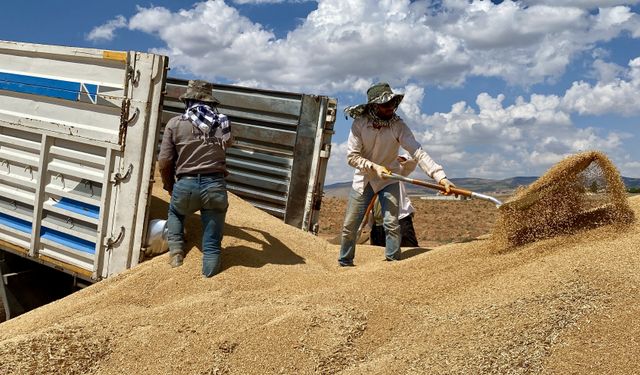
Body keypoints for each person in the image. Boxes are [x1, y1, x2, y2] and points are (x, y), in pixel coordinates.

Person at [338, 82, 454, 266]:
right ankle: (345, 262)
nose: (390, 107)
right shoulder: (360, 124)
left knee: (392, 223)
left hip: (388, 178)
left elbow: (418, 152)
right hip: (364, 178)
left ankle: (393, 262)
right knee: (350, 225)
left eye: (392, 103)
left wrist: (441, 177)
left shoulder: (398, 126)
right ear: (374, 106)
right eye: (385, 104)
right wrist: (374, 167)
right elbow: (352, 157)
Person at [158, 79, 232, 277]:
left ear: (187, 102)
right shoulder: (222, 124)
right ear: (211, 104)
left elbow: (164, 161)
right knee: (213, 245)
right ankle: (210, 277)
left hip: (186, 185)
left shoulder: (175, 124)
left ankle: (176, 254)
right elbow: (228, 144)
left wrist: (169, 186)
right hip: (215, 186)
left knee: (175, 212)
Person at [369, 155, 419, 247]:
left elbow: (411, 162)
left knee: (409, 252)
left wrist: (397, 159)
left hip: (400, 220)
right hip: (377, 225)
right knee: (379, 256)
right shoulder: (369, 175)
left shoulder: (395, 169)